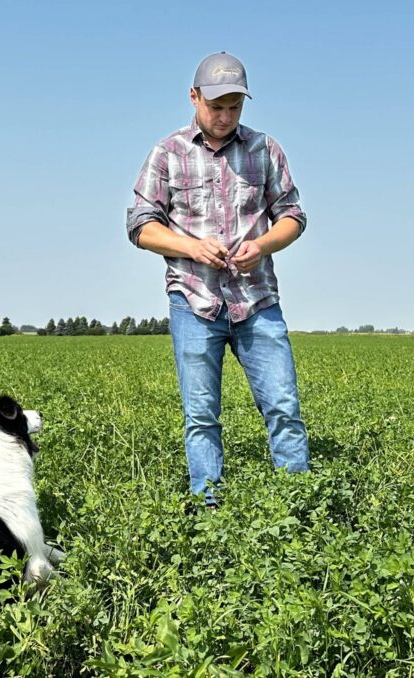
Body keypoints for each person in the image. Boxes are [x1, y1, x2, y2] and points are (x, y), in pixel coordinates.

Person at [125, 51, 310, 507]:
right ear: (194, 97)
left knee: (283, 407)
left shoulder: (266, 150)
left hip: (257, 300)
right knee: (201, 415)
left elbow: (292, 215)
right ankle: (209, 510)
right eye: (216, 106)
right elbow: (140, 224)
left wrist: (262, 245)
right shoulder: (167, 153)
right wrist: (192, 247)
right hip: (194, 301)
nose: (225, 116)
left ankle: (300, 507)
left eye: (235, 107)